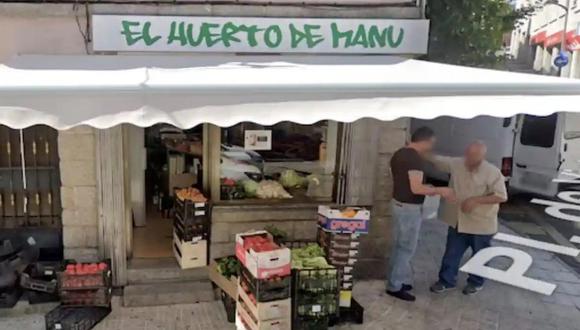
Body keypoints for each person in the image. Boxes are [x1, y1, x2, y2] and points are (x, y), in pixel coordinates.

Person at [429, 141, 508, 295]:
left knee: (480, 255)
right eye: (468, 154)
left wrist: (475, 200)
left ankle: (476, 282)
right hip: (458, 221)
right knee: (452, 252)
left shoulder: (492, 172)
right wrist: (421, 150)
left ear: (482, 156)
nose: (470, 158)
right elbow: (439, 160)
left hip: (481, 223)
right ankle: (446, 281)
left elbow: (501, 196)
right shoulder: (457, 164)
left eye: (474, 156)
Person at [386, 127, 454, 302]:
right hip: (409, 208)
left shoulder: (399, 153)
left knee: (399, 246)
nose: (431, 147)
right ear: (426, 141)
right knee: (406, 248)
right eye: (431, 143)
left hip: (397, 203)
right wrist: (440, 190)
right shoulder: (414, 159)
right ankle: (395, 286)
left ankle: (396, 280)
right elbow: (415, 188)